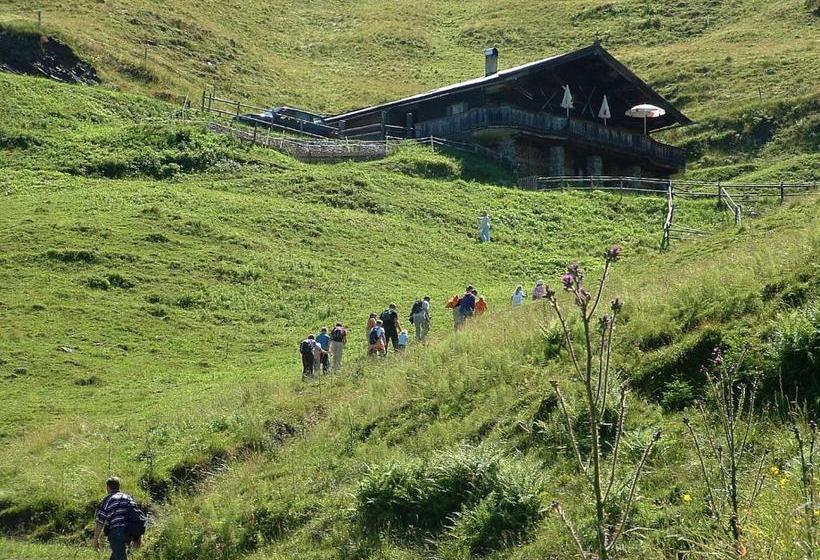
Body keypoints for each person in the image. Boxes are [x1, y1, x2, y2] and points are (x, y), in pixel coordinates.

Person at [94, 476, 140, 560]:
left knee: (120, 557)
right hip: (129, 532)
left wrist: (96, 539)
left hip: (116, 532)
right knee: (116, 556)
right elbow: (136, 516)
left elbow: (100, 521)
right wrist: (138, 536)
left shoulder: (108, 499)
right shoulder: (128, 498)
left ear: (108, 487)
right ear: (118, 486)